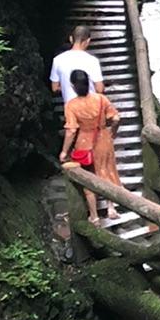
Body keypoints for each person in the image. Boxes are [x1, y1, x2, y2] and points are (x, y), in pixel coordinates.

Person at [59, 69, 123, 225]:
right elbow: (116, 118)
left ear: (73, 86)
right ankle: (111, 208)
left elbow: (72, 130)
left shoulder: (71, 105)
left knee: (89, 177)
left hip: (84, 143)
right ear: (89, 83)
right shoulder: (101, 99)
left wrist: (64, 151)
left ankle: (94, 216)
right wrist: (112, 132)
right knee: (106, 171)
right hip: (103, 140)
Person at [50, 25, 104, 106]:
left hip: (70, 108)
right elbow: (99, 89)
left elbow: (54, 88)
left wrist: (67, 88)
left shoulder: (57, 60)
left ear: (71, 39)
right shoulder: (92, 61)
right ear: (88, 41)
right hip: (91, 107)